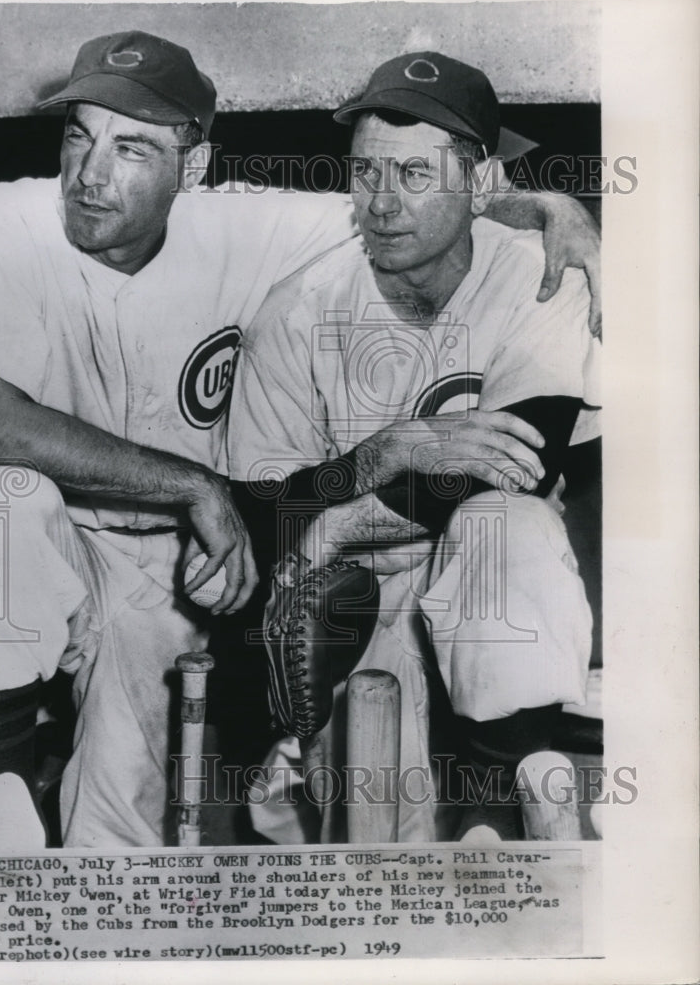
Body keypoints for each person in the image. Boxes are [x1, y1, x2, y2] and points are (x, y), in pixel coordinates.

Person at [0, 32, 600, 850]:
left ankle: (501, 803)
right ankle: (4, 786)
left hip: (188, 561)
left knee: (127, 826)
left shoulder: (255, 228)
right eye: (78, 134)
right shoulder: (3, 219)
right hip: (87, 532)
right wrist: (204, 487)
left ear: (192, 169)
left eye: (131, 146)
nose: (91, 173)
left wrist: (556, 209)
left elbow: (416, 208)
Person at [228, 51, 600, 843]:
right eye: (366, 174)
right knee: (383, 857)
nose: (383, 204)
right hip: (355, 593)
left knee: (509, 522)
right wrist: (381, 456)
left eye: (415, 176)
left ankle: (516, 798)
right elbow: (260, 509)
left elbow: (520, 465)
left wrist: (333, 516)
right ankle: (488, 805)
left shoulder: (544, 277)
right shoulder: (299, 309)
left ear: (483, 185)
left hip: (478, 577)